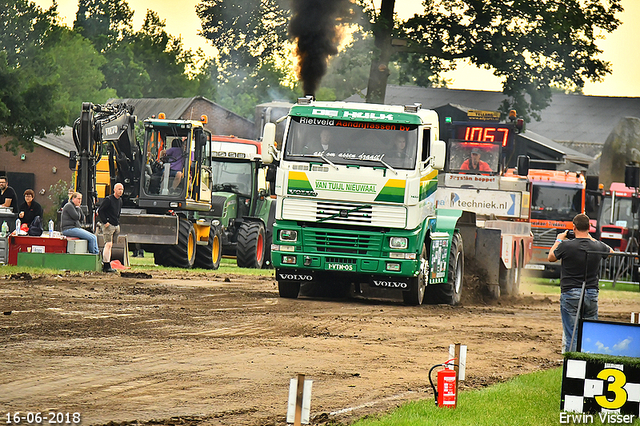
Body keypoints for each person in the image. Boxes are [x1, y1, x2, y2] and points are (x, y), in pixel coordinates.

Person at [548, 213, 614, 353]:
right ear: (589, 227)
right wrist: (592, 240)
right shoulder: (596, 246)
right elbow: (611, 252)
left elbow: (551, 257)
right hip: (591, 292)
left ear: (574, 228)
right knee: (590, 331)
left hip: (570, 292)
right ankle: (589, 358)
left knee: (572, 333)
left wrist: (559, 240)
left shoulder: (566, 245)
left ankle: (571, 362)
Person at [98, 183, 124, 273]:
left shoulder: (120, 200)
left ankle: (107, 264)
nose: (121, 191)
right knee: (108, 244)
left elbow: (118, 212)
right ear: (114, 190)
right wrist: (105, 222)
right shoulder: (108, 200)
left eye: (122, 189)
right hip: (109, 226)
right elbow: (100, 211)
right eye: (119, 189)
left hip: (116, 224)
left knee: (111, 245)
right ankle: (106, 265)